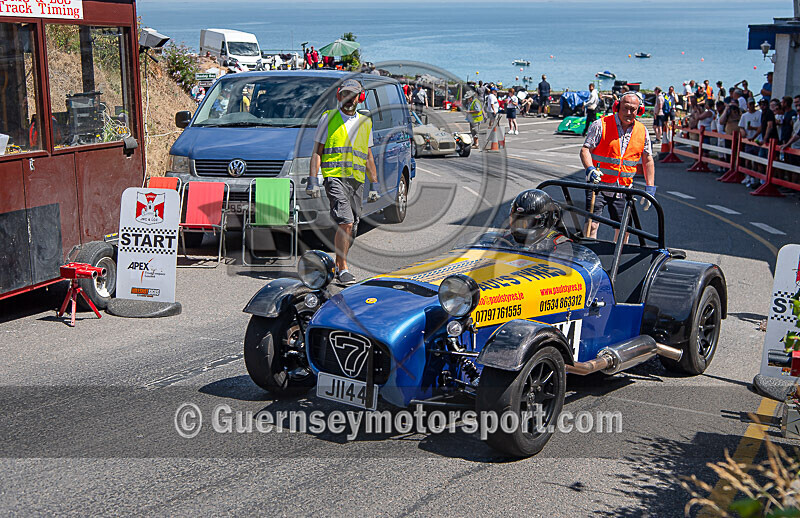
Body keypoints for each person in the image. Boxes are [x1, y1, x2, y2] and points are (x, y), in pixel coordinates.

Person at [307, 79, 379, 285]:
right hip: (335, 177)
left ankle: (338, 263)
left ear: (360, 98)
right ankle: (343, 268)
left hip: (357, 181)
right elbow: (317, 151)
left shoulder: (366, 123)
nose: (349, 99)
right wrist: (313, 179)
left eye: (353, 96)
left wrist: (374, 184)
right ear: (339, 96)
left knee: (352, 227)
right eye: (345, 94)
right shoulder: (328, 118)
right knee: (345, 222)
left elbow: (368, 156)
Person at [579, 91, 656, 241]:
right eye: (625, 108)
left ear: (639, 110)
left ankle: (617, 255)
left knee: (623, 230)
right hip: (598, 185)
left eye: (633, 109)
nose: (628, 113)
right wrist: (590, 169)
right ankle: (588, 252)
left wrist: (650, 187)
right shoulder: (601, 125)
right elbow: (585, 150)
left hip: (623, 188)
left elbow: (648, 160)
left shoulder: (642, 131)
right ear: (617, 106)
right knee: (592, 225)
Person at [504, 189, 571, 254]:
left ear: (544, 221)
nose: (521, 227)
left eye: (528, 223)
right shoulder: (506, 237)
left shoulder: (561, 246)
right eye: (517, 222)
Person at [738, 99, 762, 187]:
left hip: (757, 140)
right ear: (747, 105)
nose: (751, 106)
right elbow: (741, 126)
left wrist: (753, 128)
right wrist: (742, 131)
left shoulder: (759, 114)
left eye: (752, 104)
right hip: (748, 139)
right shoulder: (744, 115)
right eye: (750, 104)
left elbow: (761, 127)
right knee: (747, 159)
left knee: (755, 160)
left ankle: (754, 177)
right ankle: (748, 176)